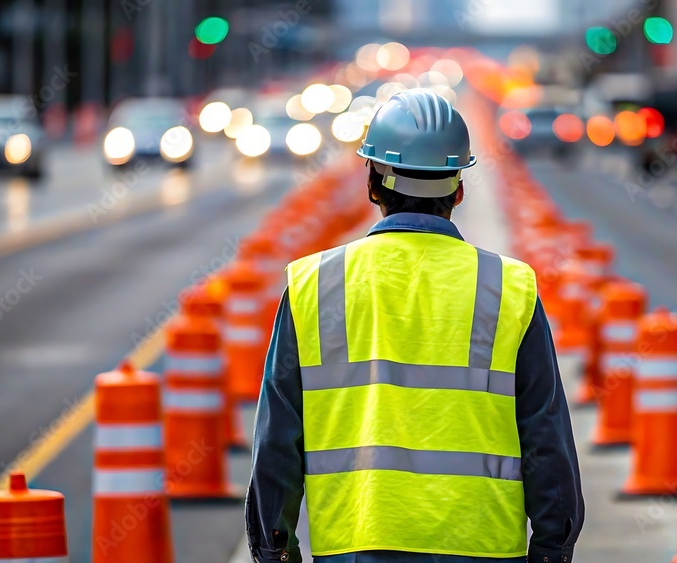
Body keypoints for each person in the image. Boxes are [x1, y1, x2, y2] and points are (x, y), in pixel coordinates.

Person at [246, 89, 584, 563]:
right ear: (458, 189)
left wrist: (274, 549)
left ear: (372, 183)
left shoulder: (314, 284)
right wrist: (552, 547)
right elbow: (545, 438)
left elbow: (277, 441)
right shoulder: (509, 287)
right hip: (482, 548)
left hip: (356, 545)